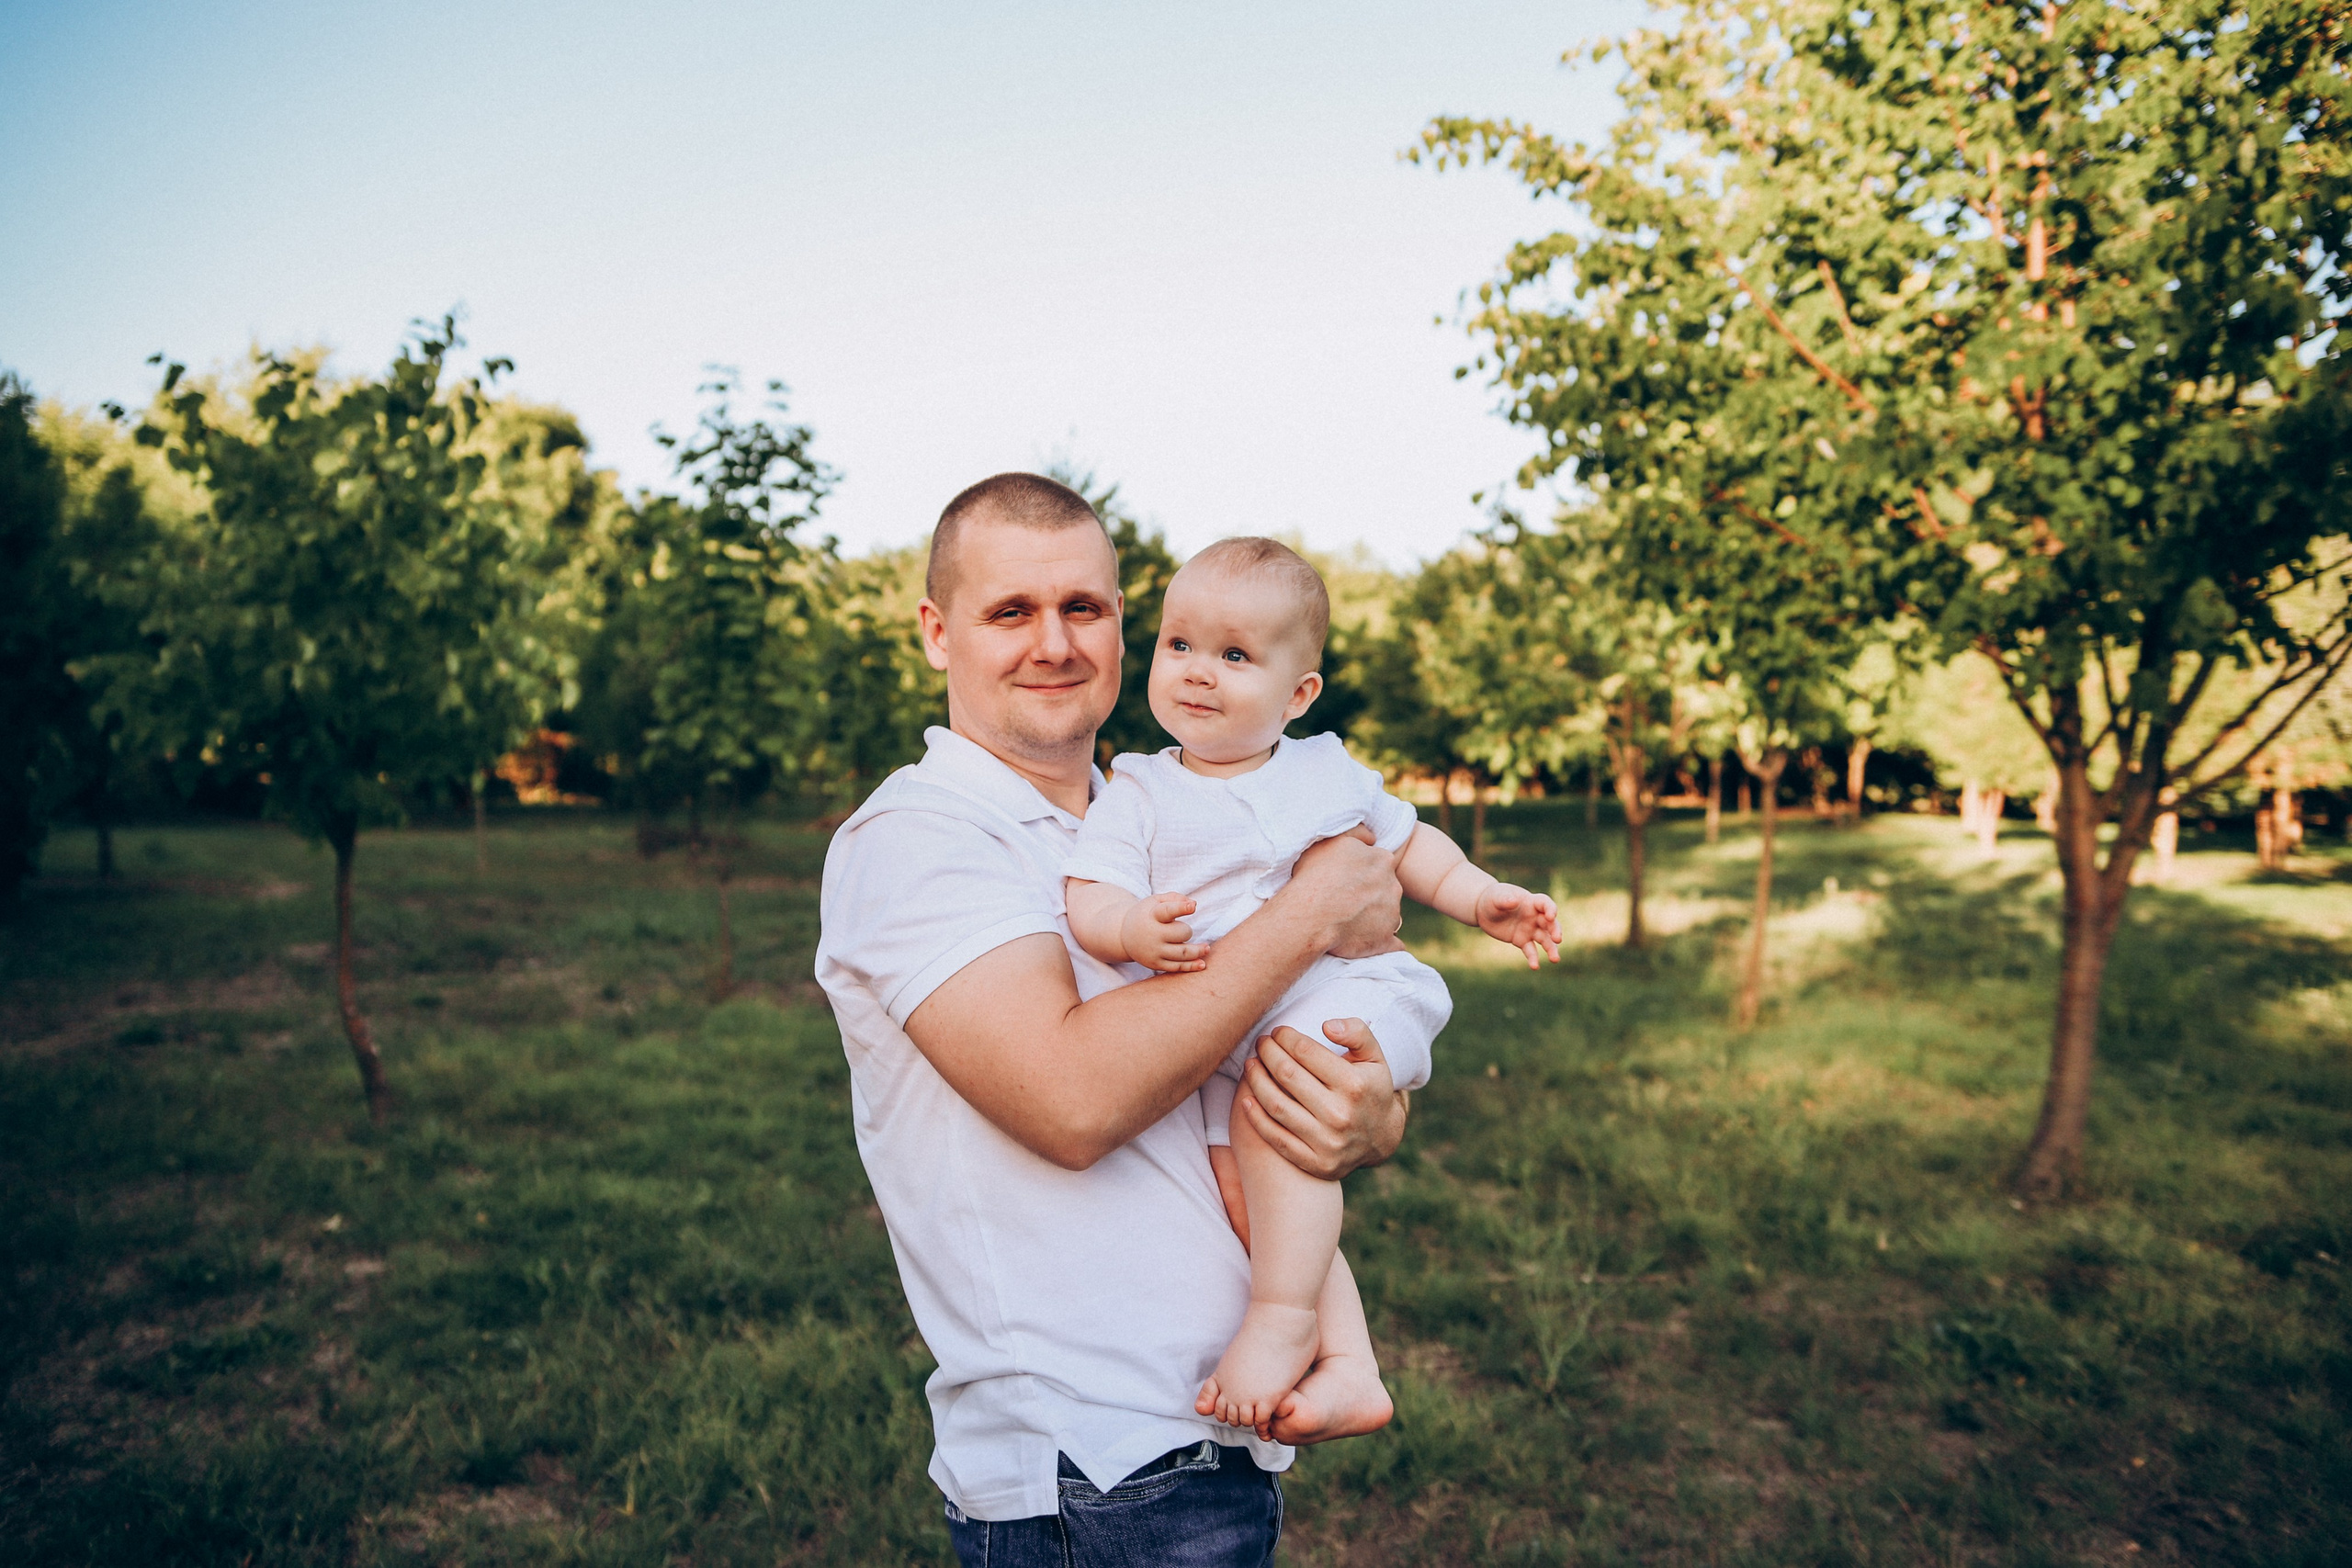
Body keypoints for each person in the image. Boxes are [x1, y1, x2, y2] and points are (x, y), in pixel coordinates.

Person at [815, 473, 1415, 1567]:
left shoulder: (1159, 823)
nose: (1053, 643)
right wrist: (1308, 913)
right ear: (938, 633)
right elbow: (1074, 1100)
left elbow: (1248, 1046)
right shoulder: (917, 837)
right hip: (1089, 1466)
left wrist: (1366, 1115)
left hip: (1210, 1435)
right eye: (1011, 612)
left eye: (1082, 608)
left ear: (1123, 625)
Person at [1063, 536, 1562, 1434]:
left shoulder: (1324, 770)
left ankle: (1283, 1320)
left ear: (1297, 695)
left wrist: (1479, 896)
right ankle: (1352, 1366)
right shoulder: (1136, 790)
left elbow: (1408, 845)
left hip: (1344, 996)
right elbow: (1091, 889)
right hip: (1228, 1027)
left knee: (1276, 1126)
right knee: (1243, 1189)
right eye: (1179, 644)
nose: (1198, 670)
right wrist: (1129, 926)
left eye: (1235, 655)